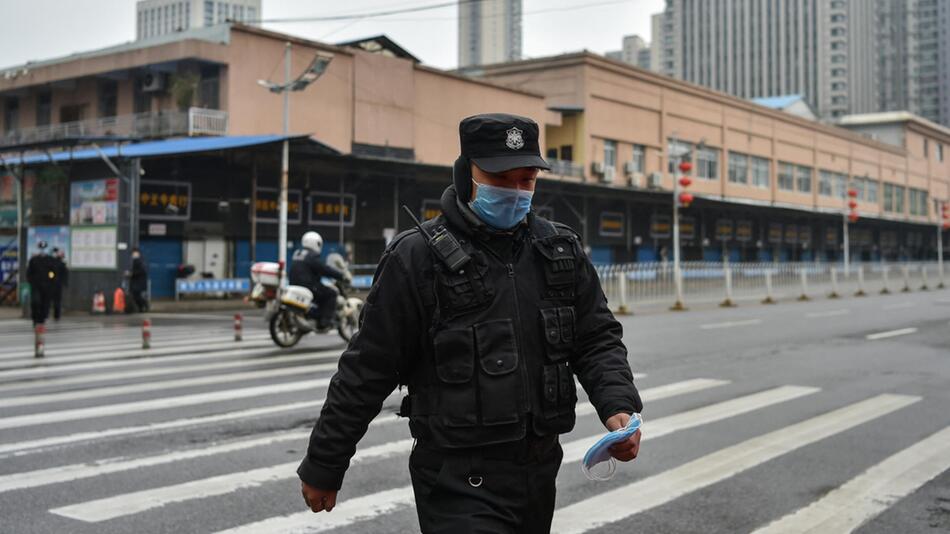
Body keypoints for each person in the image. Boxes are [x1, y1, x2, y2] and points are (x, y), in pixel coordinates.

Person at [297, 113, 642, 533]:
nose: (516, 192)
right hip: (456, 479)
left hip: (538, 472)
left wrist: (618, 405)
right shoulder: (416, 259)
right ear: (465, 174)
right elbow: (368, 368)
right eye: (502, 178)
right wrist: (325, 463)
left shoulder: (559, 250)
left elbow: (596, 338)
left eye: (527, 180)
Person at [288, 231, 347, 330]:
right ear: (315, 243)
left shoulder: (297, 253)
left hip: (294, 284)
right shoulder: (312, 256)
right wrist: (340, 275)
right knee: (331, 293)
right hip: (308, 286)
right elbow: (324, 269)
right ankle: (325, 321)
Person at [26, 241, 59, 326]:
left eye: (44, 249)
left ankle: (42, 319)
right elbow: (29, 272)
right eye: (41, 249)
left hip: (47, 285)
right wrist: (31, 281)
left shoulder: (50, 260)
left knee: (45, 303)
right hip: (36, 285)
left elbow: (53, 272)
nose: (42, 250)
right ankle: (35, 318)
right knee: (35, 301)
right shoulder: (34, 260)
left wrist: (51, 280)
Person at [129, 247, 149, 313]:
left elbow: (141, 271)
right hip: (137, 282)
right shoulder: (137, 260)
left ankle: (144, 305)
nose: (133, 254)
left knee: (136, 296)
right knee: (135, 295)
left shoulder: (139, 261)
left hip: (139, 282)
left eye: (134, 253)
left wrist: (131, 274)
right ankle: (142, 307)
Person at [50, 248, 68, 321]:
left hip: (54, 283)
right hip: (57, 283)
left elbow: (51, 273)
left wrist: (51, 279)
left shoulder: (54, 262)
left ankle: (56, 315)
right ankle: (56, 315)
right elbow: (65, 274)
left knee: (55, 300)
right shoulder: (61, 263)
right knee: (57, 300)